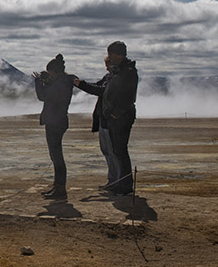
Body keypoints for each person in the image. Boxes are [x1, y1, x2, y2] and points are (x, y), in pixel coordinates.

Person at [75, 41, 139, 195]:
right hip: (112, 118)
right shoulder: (116, 73)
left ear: (119, 55)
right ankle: (117, 183)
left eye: (111, 54)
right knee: (115, 151)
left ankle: (124, 186)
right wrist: (80, 84)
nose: (109, 58)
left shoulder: (127, 72)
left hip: (120, 119)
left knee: (120, 152)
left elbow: (128, 96)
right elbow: (100, 89)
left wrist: (116, 113)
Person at [33, 54, 74, 200]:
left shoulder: (61, 84)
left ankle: (60, 189)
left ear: (55, 72)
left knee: (57, 157)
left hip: (55, 122)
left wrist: (39, 82)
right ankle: (57, 186)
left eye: (50, 73)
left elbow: (43, 96)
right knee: (55, 156)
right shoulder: (62, 82)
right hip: (56, 121)